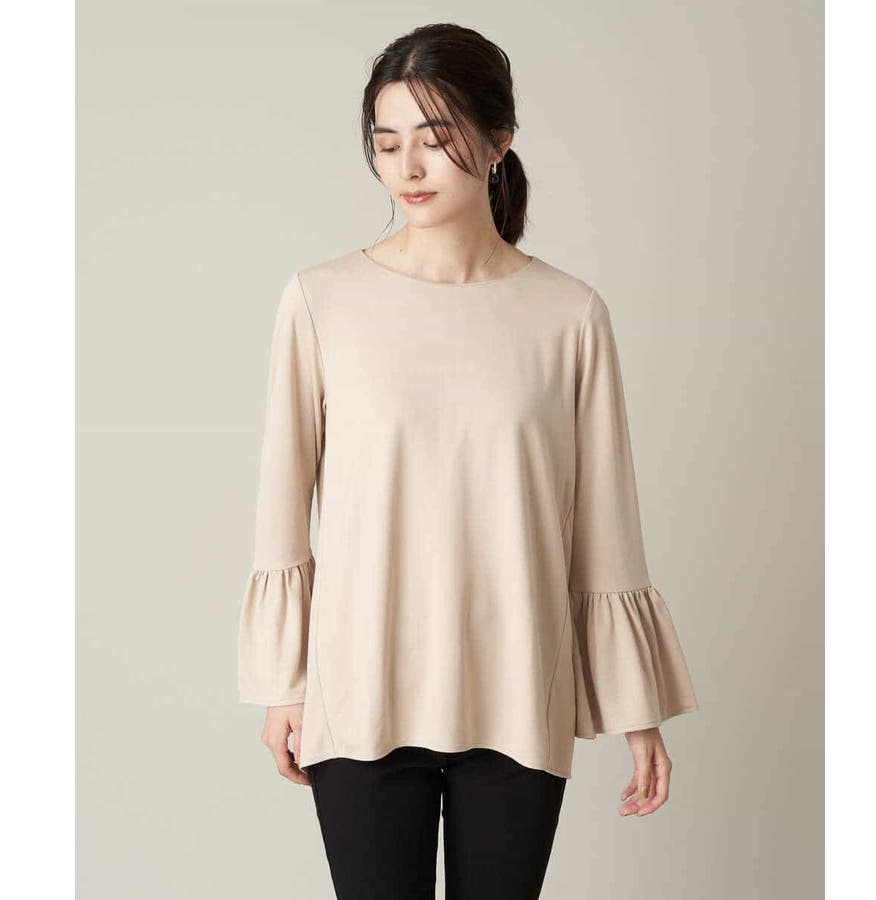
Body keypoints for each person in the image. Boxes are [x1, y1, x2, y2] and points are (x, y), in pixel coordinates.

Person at [237, 22, 699, 900]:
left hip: (518, 693)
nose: (408, 167)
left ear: (498, 142)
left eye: (435, 138)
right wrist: (283, 684)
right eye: (387, 144)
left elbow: (606, 522)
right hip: (361, 694)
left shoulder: (569, 315)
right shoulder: (322, 302)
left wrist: (635, 706)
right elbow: (281, 504)